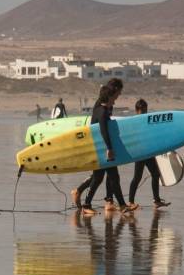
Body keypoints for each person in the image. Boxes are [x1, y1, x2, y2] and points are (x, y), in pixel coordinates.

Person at [72, 78, 124, 210]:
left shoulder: (105, 106)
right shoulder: (101, 108)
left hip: (102, 146)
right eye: (118, 93)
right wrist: (109, 147)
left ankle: (89, 201)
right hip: (101, 147)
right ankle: (116, 204)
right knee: (110, 176)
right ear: (114, 91)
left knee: (99, 177)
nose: (119, 96)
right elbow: (102, 128)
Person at [81, 85, 129, 216]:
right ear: (108, 97)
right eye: (113, 98)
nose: (114, 100)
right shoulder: (102, 112)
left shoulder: (98, 109)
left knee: (98, 178)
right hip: (103, 149)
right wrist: (109, 148)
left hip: (99, 148)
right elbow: (104, 131)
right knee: (113, 177)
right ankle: (123, 205)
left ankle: (86, 204)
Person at [128, 99, 170, 210]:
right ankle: (130, 202)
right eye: (142, 111)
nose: (144, 113)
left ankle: (156, 201)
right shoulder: (133, 122)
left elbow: (152, 136)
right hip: (140, 153)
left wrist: (161, 148)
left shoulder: (148, 121)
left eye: (146, 110)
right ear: (137, 111)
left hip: (148, 152)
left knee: (156, 174)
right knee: (137, 178)